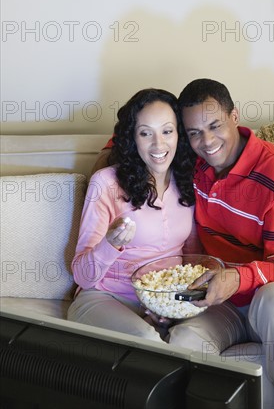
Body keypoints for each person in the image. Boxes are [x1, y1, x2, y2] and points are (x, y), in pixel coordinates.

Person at [172, 78, 274, 409]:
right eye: (194, 133)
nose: (207, 141)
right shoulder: (193, 163)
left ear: (235, 116)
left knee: (273, 300)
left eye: (214, 125)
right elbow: (142, 130)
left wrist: (240, 278)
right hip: (226, 301)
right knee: (184, 338)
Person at [68, 87, 244, 345]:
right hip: (106, 298)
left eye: (167, 131)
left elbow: (190, 259)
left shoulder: (188, 181)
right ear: (132, 138)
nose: (158, 144)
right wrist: (112, 242)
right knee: (146, 341)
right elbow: (82, 276)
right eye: (145, 133)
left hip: (163, 300)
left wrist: (173, 307)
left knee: (187, 342)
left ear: (179, 136)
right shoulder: (105, 183)